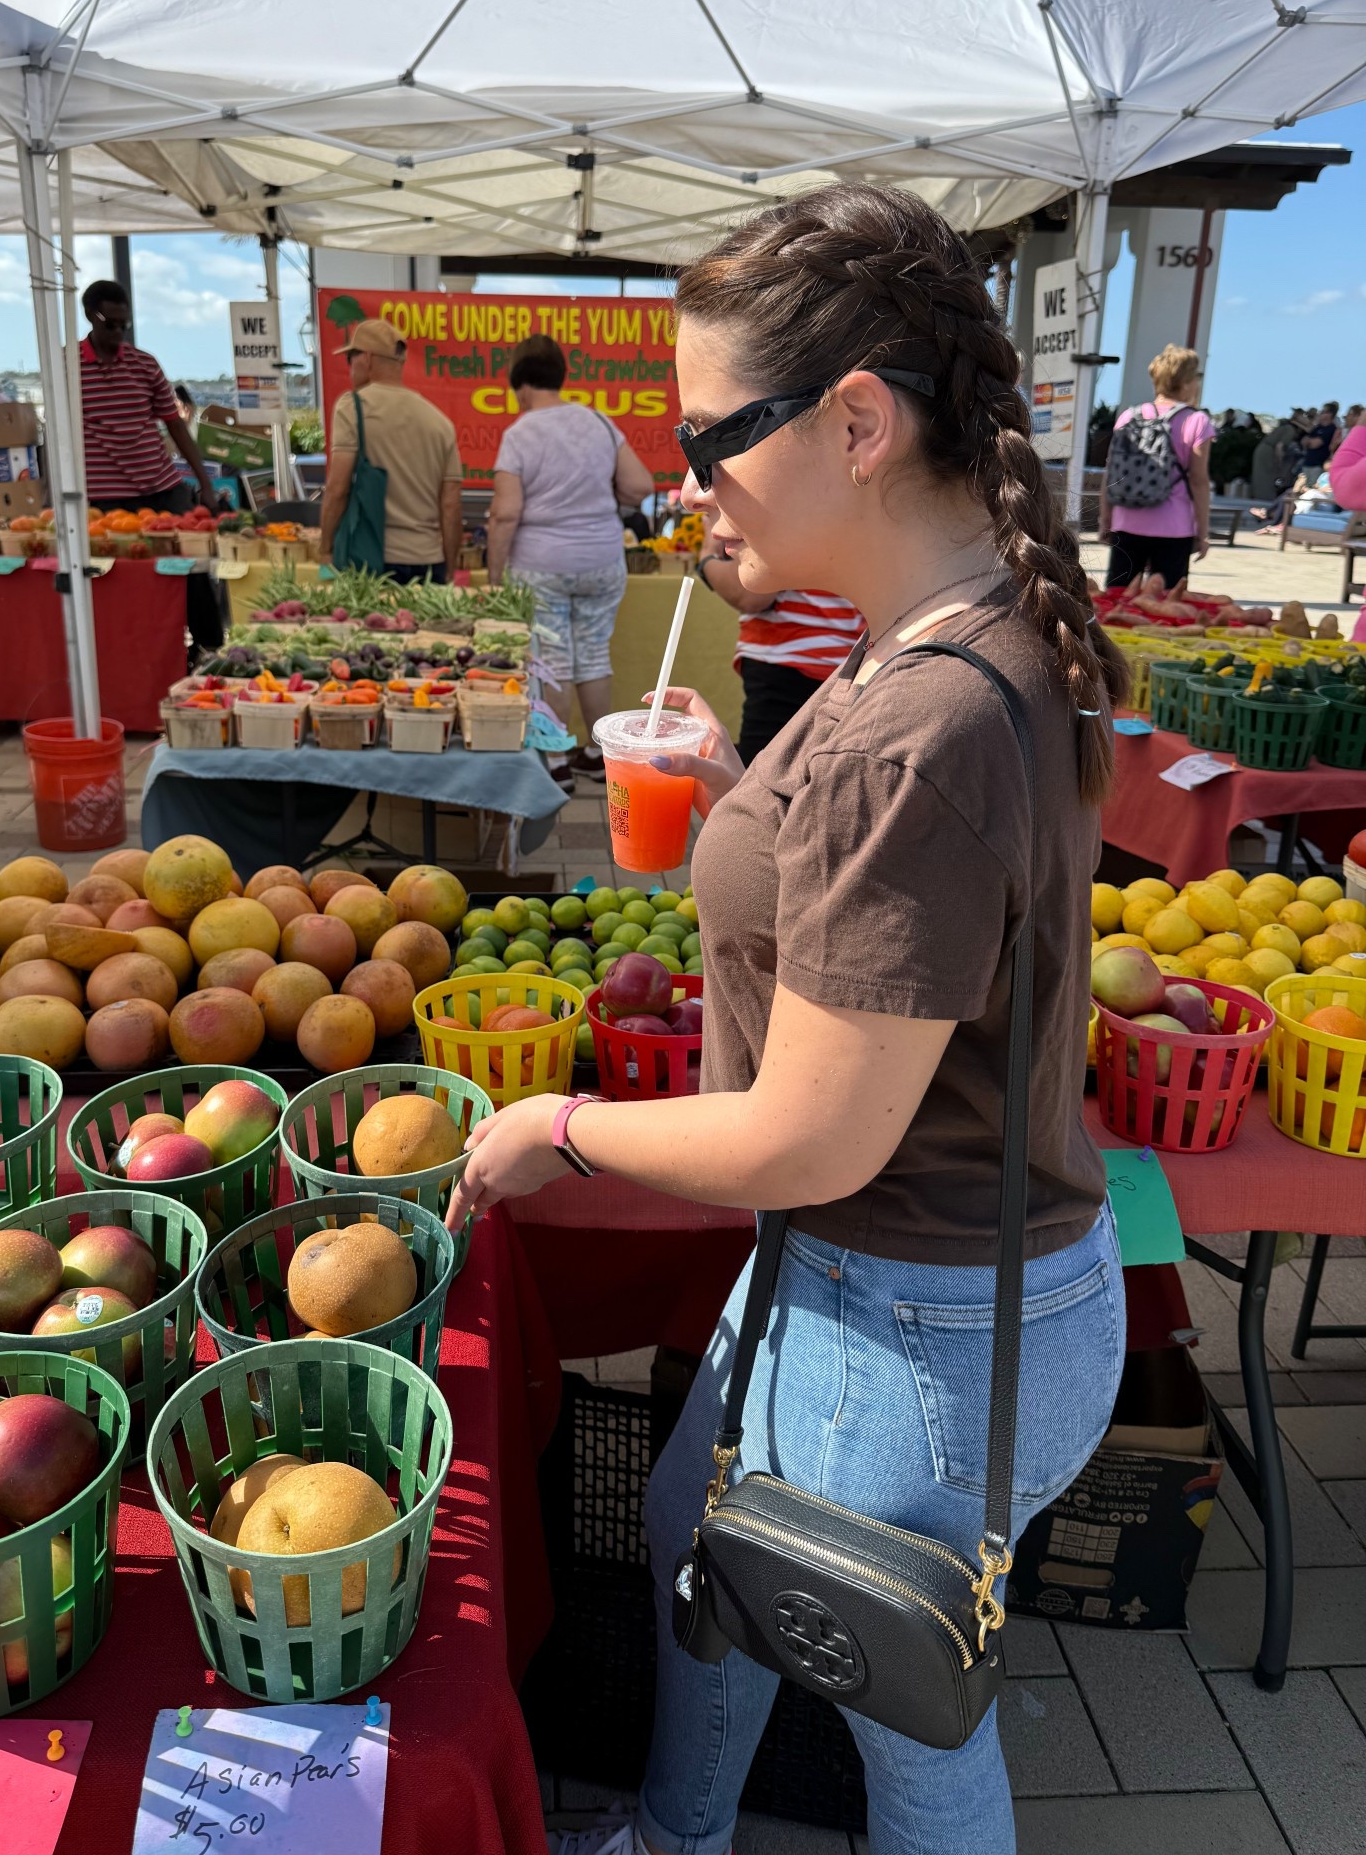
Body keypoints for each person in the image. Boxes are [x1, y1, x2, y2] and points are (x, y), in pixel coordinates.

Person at [447, 182, 1127, 1855]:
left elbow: (818, 1126)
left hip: (906, 1315)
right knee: (699, 1531)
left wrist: (559, 1130)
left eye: (705, 442)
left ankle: (678, 1829)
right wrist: (751, 792)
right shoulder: (944, 645)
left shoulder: (931, 717)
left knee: (909, 1734)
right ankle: (680, 1827)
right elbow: (912, 902)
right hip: (894, 1280)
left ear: (858, 421)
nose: (682, 490)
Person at [487, 333, 653, 778]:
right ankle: (599, 757)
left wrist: (494, 574)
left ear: (520, 385)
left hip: (541, 565)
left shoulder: (519, 434)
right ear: (559, 378)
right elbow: (640, 486)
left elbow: (505, 513)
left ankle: (557, 760)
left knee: (554, 659)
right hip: (601, 559)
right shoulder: (599, 423)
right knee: (594, 654)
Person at [695, 504, 865, 762]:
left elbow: (751, 596)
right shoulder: (859, 506)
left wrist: (707, 559)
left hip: (785, 660)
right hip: (854, 665)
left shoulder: (790, 503)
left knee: (761, 791)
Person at [321, 317, 462, 580]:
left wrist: (325, 550)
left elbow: (337, 489)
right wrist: (450, 570)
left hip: (371, 562)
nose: (350, 368)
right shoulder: (441, 422)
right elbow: (451, 504)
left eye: (350, 358)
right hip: (429, 563)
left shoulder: (352, 407)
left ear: (367, 358)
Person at [78, 280, 214, 516]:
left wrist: (206, 483)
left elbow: (175, 425)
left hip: (161, 489)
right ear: (90, 315)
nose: (119, 332)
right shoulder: (67, 366)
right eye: (110, 325)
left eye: (125, 325)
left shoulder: (145, 364)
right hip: (101, 498)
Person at [1104, 345, 1214, 589]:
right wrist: (1202, 532)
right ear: (1186, 382)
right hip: (1174, 527)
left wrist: (1106, 519)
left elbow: (1112, 472)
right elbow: (1198, 480)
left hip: (1127, 521)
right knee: (1163, 606)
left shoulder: (1128, 417)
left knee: (1117, 601)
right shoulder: (1197, 421)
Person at [1298, 400, 1342, 481]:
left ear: (1329, 414)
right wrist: (1309, 442)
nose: (1320, 414)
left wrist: (1309, 442)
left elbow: (1315, 444)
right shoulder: (1317, 428)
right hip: (1307, 464)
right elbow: (1303, 441)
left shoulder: (1332, 429)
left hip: (1317, 466)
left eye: (1323, 412)